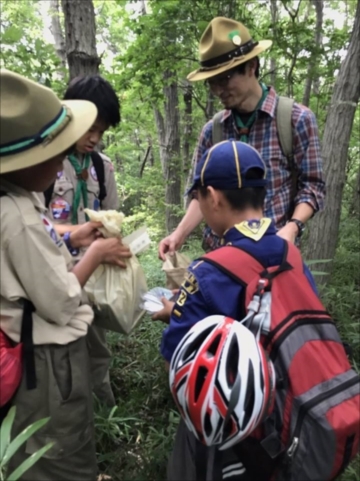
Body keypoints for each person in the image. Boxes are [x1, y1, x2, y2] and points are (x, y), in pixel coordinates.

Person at [153, 140, 318, 480]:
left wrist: (174, 311)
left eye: (198, 197)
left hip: (230, 433)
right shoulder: (292, 256)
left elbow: (178, 359)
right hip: (288, 418)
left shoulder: (208, 270)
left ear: (212, 196)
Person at [0, 69, 130, 480]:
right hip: (47, 356)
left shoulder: (18, 203)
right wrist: (92, 255)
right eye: (55, 155)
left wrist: (76, 240)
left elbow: (42, 255)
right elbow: (58, 301)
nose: (62, 164)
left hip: (41, 345)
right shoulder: (18, 215)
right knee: (61, 449)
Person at [159, 17, 325, 258]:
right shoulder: (213, 131)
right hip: (221, 259)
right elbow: (201, 195)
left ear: (251, 67)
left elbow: (312, 186)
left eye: (225, 79)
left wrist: (292, 228)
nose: (218, 90)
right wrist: (179, 234)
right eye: (212, 82)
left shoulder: (295, 120)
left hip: (272, 256)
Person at [43, 74, 126, 407]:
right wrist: (73, 236)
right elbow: (33, 222)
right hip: (50, 274)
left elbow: (112, 215)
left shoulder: (101, 168)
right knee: (56, 350)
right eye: (90, 128)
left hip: (92, 278)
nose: (94, 138)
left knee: (97, 347)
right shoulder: (43, 164)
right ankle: (64, 411)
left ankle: (104, 413)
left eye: (101, 131)